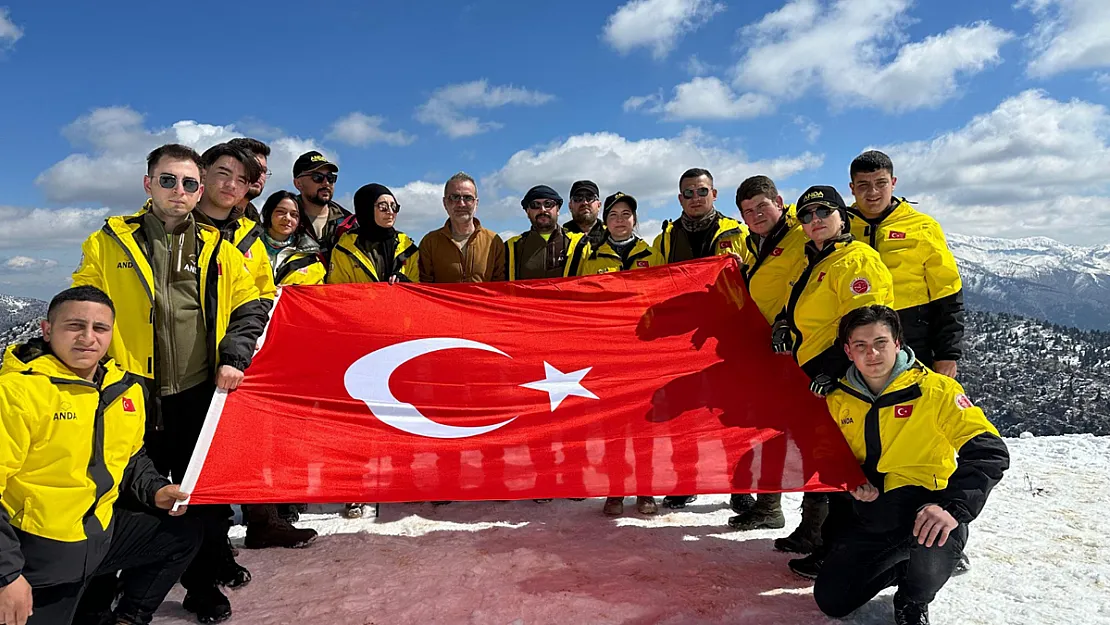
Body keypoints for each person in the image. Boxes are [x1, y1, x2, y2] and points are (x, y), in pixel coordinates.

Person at [72, 143, 268, 624]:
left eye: (187, 183)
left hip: (198, 391)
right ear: (148, 184)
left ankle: (200, 587)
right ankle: (99, 600)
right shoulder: (109, 243)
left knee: (199, 498)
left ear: (198, 190)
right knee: (117, 495)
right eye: (167, 181)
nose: (177, 191)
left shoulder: (219, 247)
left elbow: (250, 305)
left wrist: (233, 356)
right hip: (130, 390)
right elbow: (84, 301)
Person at [0, 286, 200, 625]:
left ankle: (127, 618)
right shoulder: (19, 393)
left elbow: (131, 456)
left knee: (183, 533)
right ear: (47, 330)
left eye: (100, 328)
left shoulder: (123, 390)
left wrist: (155, 489)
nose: (88, 338)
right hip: (38, 555)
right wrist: (7, 576)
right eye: (75, 326)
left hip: (98, 537)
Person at [812, 305, 1008, 625]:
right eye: (860, 345)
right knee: (832, 600)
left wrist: (952, 508)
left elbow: (990, 452)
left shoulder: (936, 391)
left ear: (898, 343)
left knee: (934, 536)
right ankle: (908, 565)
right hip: (875, 516)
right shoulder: (839, 401)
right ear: (848, 351)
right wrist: (849, 480)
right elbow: (825, 455)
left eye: (881, 342)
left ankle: (914, 596)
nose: (872, 353)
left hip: (930, 504)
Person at [771, 185, 894, 558]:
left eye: (823, 212)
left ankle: (838, 545)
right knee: (823, 454)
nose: (814, 221)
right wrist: (781, 324)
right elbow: (799, 307)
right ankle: (816, 533)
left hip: (846, 377)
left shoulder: (857, 260)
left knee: (847, 458)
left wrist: (835, 367)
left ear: (843, 216)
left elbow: (867, 322)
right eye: (807, 216)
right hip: (815, 373)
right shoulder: (814, 259)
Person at [652, 168, 748, 510]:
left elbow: (753, 279)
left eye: (702, 191)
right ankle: (685, 479)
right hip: (683, 338)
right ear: (680, 198)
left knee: (732, 412)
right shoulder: (664, 238)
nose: (696, 198)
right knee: (684, 413)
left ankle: (740, 486)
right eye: (689, 193)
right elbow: (655, 286)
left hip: (727, 336)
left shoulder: (737, 233)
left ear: (714, 194)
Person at [727, 175, 809, 532]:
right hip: (766, 351)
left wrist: (786, 322)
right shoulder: (756, 242)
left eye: (762, 206)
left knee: (810, 434)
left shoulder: (802, 235)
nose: (756, 215)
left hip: (799, 348)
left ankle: (817, 527)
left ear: (779, 200)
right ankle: (768, 506)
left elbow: (805, 283)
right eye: (748, 211)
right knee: (769, 429)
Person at [578, 192, 663, 516]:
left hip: (643, 355)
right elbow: (582, 302)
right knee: (614, 428)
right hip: (609, 354)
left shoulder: (651, 254)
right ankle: (615, 489)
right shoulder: (592, 257)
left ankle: (645, 489)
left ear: (634, 219)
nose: (619, 220)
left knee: (644, 426)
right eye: (613, 215)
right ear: (606, 220)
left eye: (626, 214)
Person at [847, 151, 964, 379]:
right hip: (858, 343)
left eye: (881, 183)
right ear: (852, 187)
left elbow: (948, 294)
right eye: (863, 185)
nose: (872, 192)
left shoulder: (922, 227)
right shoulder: (841, 226)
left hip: (914, 339)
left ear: (893, 183)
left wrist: (947, 354)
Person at [194, 143, 277, 311]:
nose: (232, 184)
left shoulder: (252, 236)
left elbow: (264, 295)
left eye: (242, 179)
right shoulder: (172, 225)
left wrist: (241, 335)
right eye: (224, 174)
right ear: (202, 173)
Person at [418, 172, 506, 283]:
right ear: (445, 203)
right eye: (454, 197)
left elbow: (500, 287)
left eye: (468, 198)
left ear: (476, 203)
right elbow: (424, 288)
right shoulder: (430, 242)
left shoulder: (493, 242)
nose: (461, 204)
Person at [328, 183, 420, 286]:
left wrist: (407, 284)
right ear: (366, 209)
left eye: (394, 207)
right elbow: (337, 293)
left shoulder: (407, 248)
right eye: (383, 206)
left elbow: (419, 290)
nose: (390, 212)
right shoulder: (345, 248)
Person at [505, 185, 590, 281]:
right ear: (527, 212)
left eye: (548, 204)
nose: (542, 210)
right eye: (535, 205)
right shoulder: (511, 248)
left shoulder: (580, 244)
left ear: (558, 209)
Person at [292, 150, 356, 259]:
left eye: (331, 178)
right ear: (298, 184)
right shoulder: (283, 218)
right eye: (317, 177)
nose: (326, 183)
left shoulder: (348, 222)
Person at [261, 190, 327, 287]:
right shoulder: (249, 244)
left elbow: (317, 294)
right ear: (268, 213)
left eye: (294, 215)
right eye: (281, 212)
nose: (287, 218)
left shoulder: (311, 258)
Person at [227, 137, 271, 222]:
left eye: (264, 171)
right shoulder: (200, 214)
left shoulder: (255, 222)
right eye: (254, 167)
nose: (260, 175)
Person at [563, 180, 607, 248]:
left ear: (599, 205)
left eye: (590, 197)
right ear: (570, 206)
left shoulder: (611, 235)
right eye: (578, 198)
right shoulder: (560, 237)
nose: (585, 202)